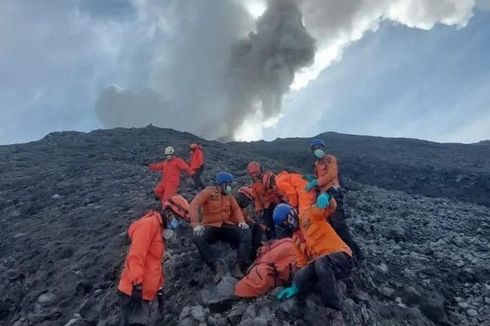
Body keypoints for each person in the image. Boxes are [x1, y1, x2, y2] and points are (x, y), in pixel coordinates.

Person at [273, 195, 355, 315]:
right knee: (301, 274)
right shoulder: (295, 239)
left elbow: (330, 208)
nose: (289, 225)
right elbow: (302, 263)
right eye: (285, 224)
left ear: (293, 212)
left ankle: (333, 307)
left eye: (288, 220)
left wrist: (327, 197)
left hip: (342, 258)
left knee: (321, 262)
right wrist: (296, 284)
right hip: (324, 267)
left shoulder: (309, 214)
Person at [117, 195, 190, 326]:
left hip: (144, 292)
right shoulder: (148, 225)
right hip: (133, 292)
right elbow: (135, 256)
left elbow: (155, 264)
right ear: (168, 213)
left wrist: (159, 289)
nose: (176, 224)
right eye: (177, 220)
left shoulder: (159, 230)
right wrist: (137, 287)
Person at [306, 138, 363, 261]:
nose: (317, 150)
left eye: (319, 147)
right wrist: (313, 181)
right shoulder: (316, 165)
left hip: (333, 192)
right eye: (315, 149)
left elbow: (331, 175)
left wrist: (316, 181)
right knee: (331, 225)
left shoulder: (330, 159)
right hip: (323, 195)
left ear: (323, 148)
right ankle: (342, 252)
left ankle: (355, 254)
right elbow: (320, 181)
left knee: (339, 224)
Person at [190, 172, 252, 282]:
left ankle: (240, 264)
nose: (230, 187)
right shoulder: (208, 192)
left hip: (225, 225)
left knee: (246, 231)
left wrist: (241, 221)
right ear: (222, 184)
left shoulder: (229, 195)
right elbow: (194, 204)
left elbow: (236, 209)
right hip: (210, 226)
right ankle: (215, 265)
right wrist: (196, 225)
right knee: (197, 237)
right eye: (228, 184)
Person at [247, 161, 281, 239]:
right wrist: (259, 209)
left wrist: (271, 186)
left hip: (277, 201)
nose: (255, 175)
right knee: (267, 221)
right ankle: (272, 238)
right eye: (252, 174)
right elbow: (257, 199)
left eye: (256, 172)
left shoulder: (269, 177)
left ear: (260, 170)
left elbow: (279, 187)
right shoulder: (254, 185)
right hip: (268, 205)